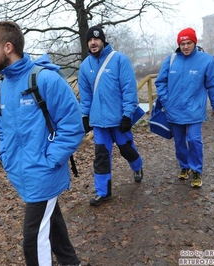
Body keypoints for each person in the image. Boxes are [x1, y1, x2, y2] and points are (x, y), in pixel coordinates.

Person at [0, 21, 83, 266]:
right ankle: (71, 262)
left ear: (8, 47)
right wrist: (6, 155)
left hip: (43, 173)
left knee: (33, 239)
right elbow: (1, 128)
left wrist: (49, 161)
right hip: (22, 173)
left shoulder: (46, 80)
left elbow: (72, 126)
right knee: (51, 222)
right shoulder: (2, 88)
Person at [78, 25, 143, 206]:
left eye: (96, 39)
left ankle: (137, 167)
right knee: (101, 156)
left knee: (126, 149)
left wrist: (127, 115)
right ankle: (103, 192)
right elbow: (86, 95)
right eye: (90, 40)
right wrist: (85, 116)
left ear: (103, 41)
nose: (93, 42)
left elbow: (129, 89)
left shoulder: (119, 60)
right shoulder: (85, 66)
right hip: (99, 122)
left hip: (119, 119)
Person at [155, 27, 214, 188]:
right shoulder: (171, 60)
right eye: (183, 43)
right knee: (179, 141)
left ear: (195, 43)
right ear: (179, 44)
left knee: (194, 139)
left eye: (189, 43)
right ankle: (184, 165)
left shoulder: (205, 60)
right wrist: (166, 100)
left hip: (194, 109)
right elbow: (160, 82)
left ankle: (196, 170)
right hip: (174, 109)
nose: (186, 46)